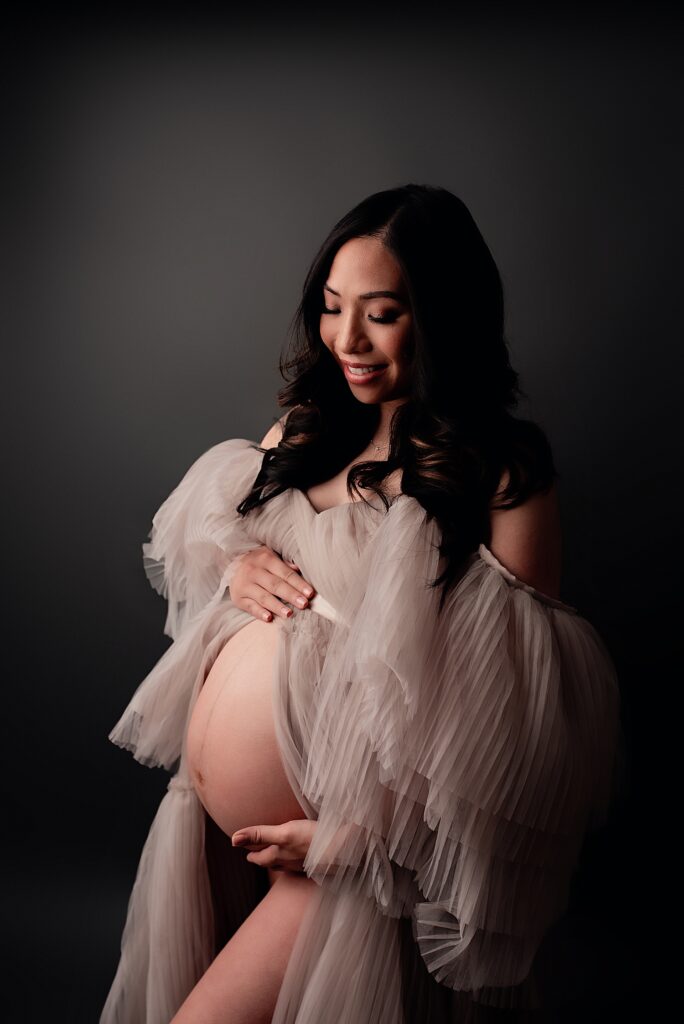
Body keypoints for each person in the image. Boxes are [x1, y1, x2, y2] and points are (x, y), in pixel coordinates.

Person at [100, 184, 625, 1024]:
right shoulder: (307, 431)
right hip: (210, 834)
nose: (347, 339)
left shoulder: (502, 478)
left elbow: (516, 746)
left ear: (443, 317)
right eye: (332, 307)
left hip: (346, 867)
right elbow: (209, 572)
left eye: (381, 313)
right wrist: (236, 574)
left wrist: (355, 848)